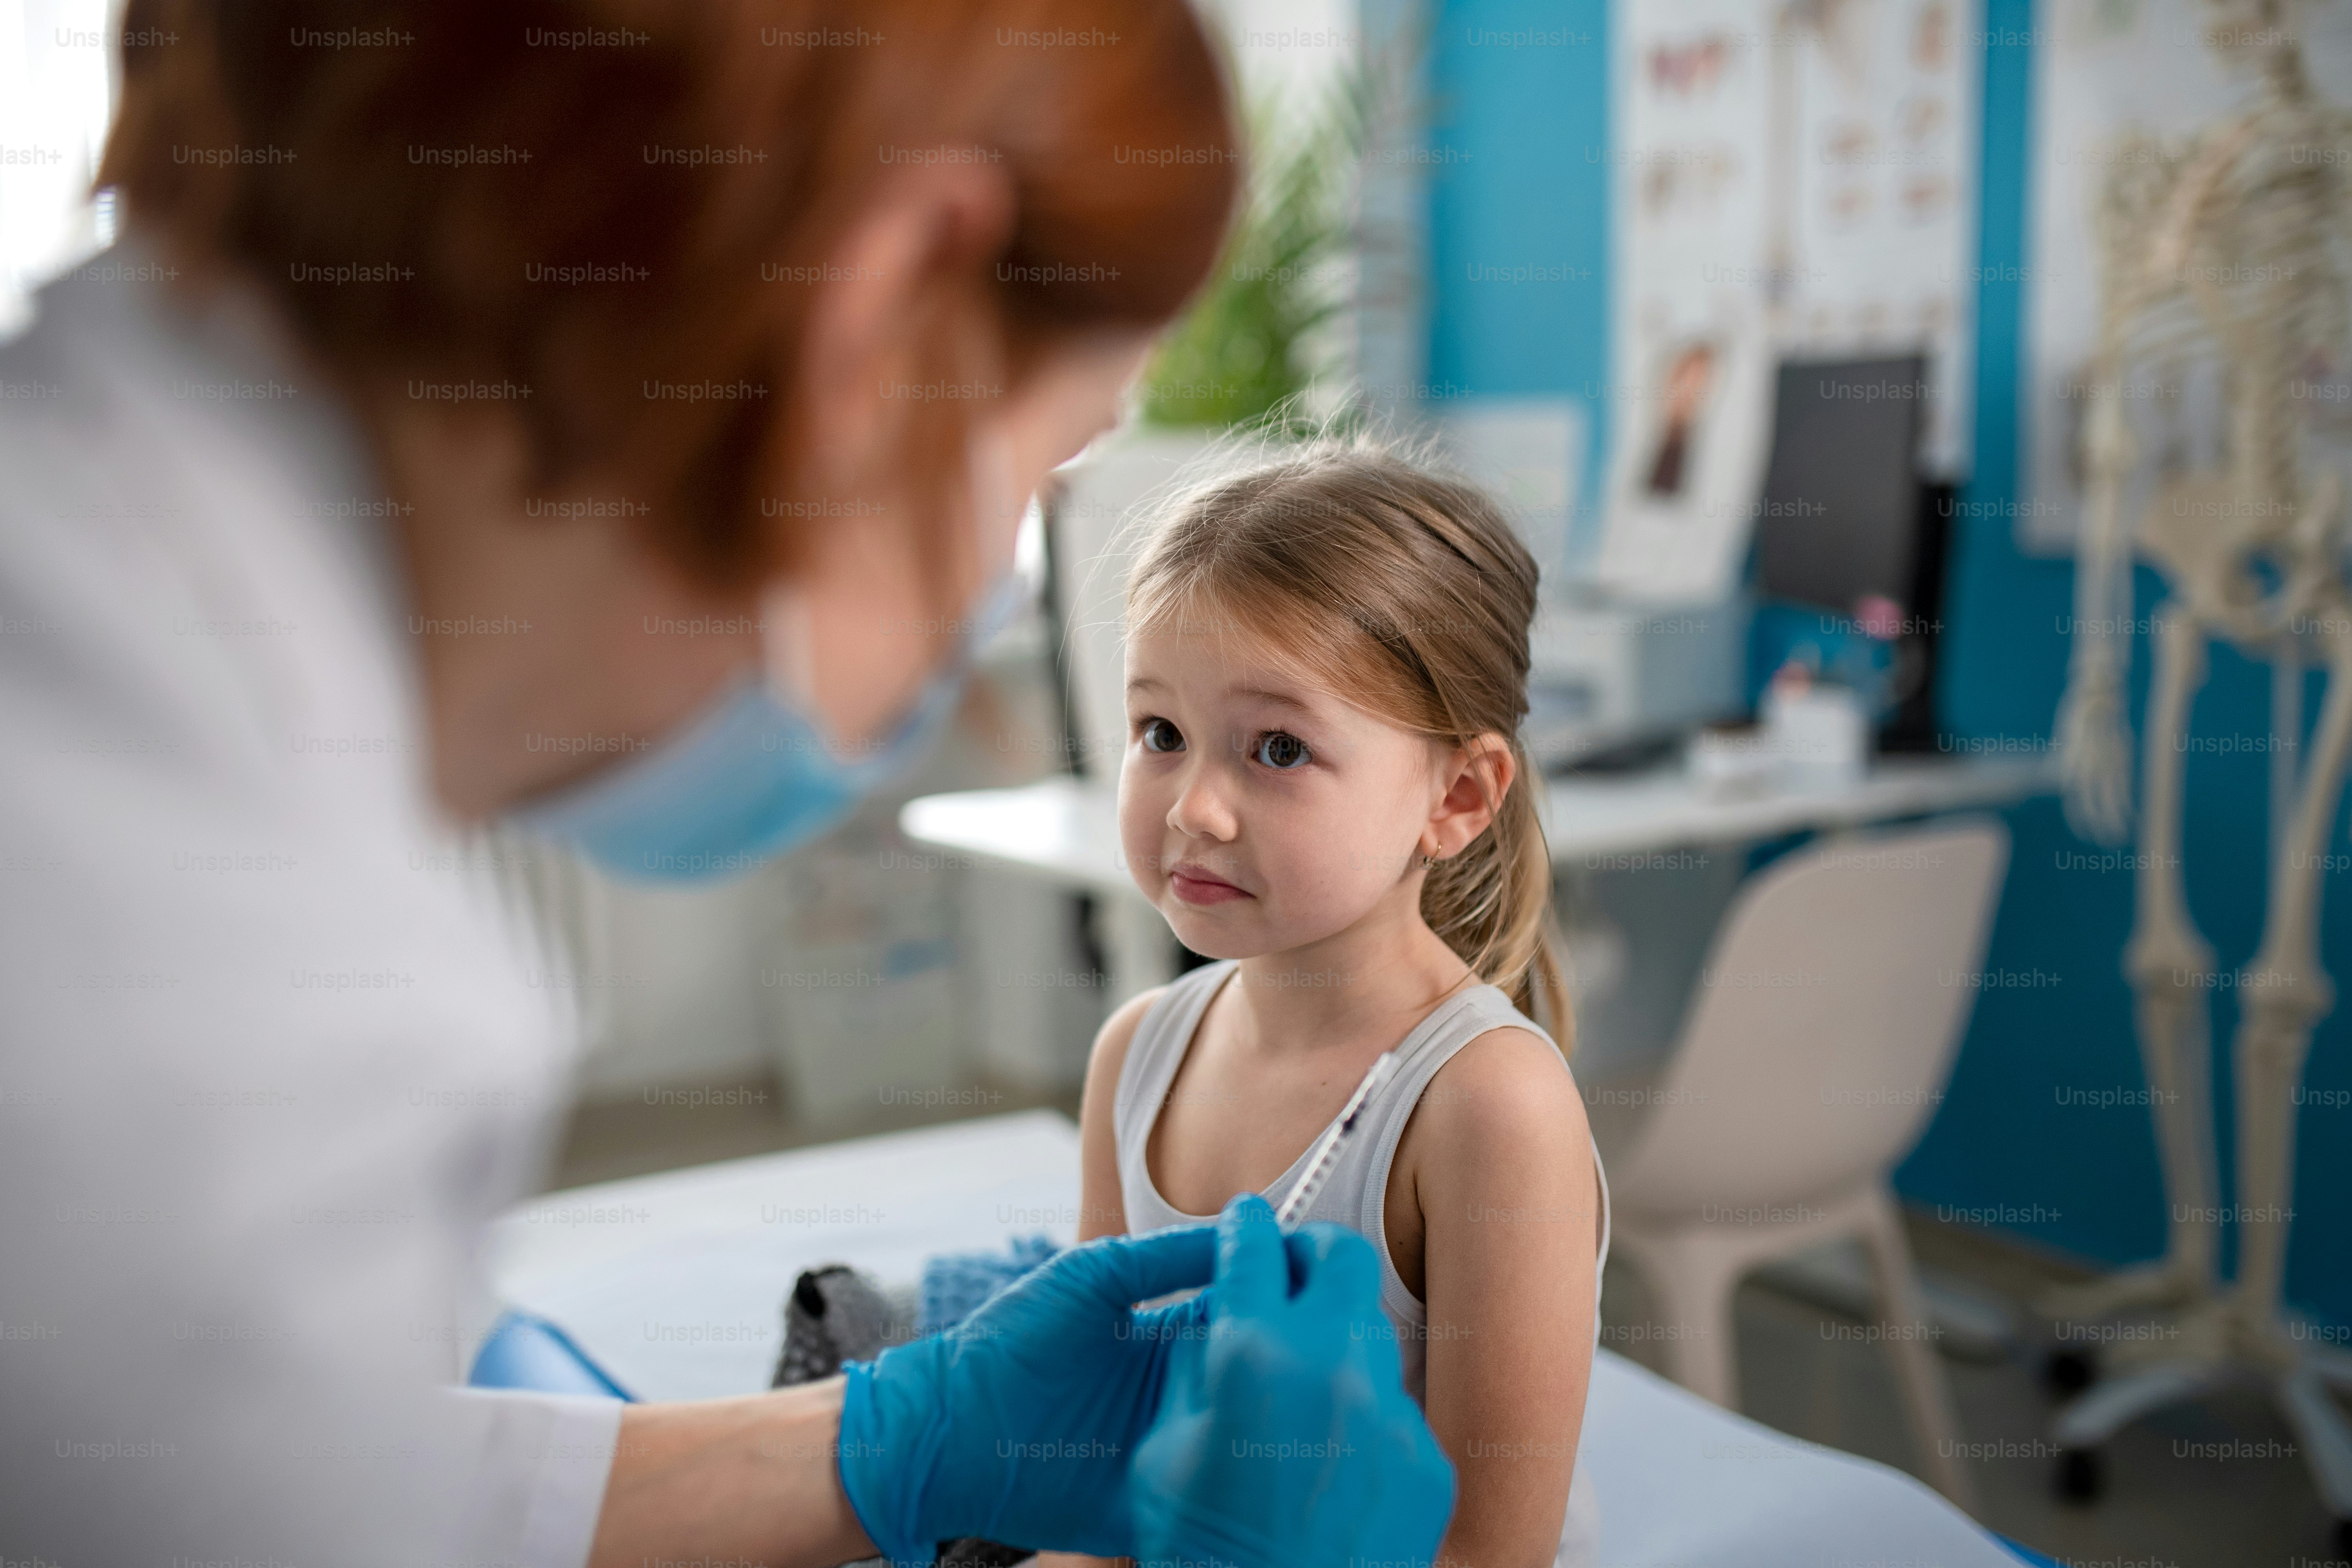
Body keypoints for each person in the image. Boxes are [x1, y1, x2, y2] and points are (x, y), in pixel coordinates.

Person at [0, 3, 1456, 1565]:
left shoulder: (118, 628)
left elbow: (291, 1486)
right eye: (1034, 473)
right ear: (885, 306)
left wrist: (903, 1443)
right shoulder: (183, 985)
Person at [1045, 439, 1610, 1568]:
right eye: (1160, 733)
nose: (1195, 808)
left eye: (1279, 748)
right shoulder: (1137, 1056)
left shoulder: (1488, 1109)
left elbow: (1490, 1553)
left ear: (1455, 797)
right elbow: (1100, 1452)